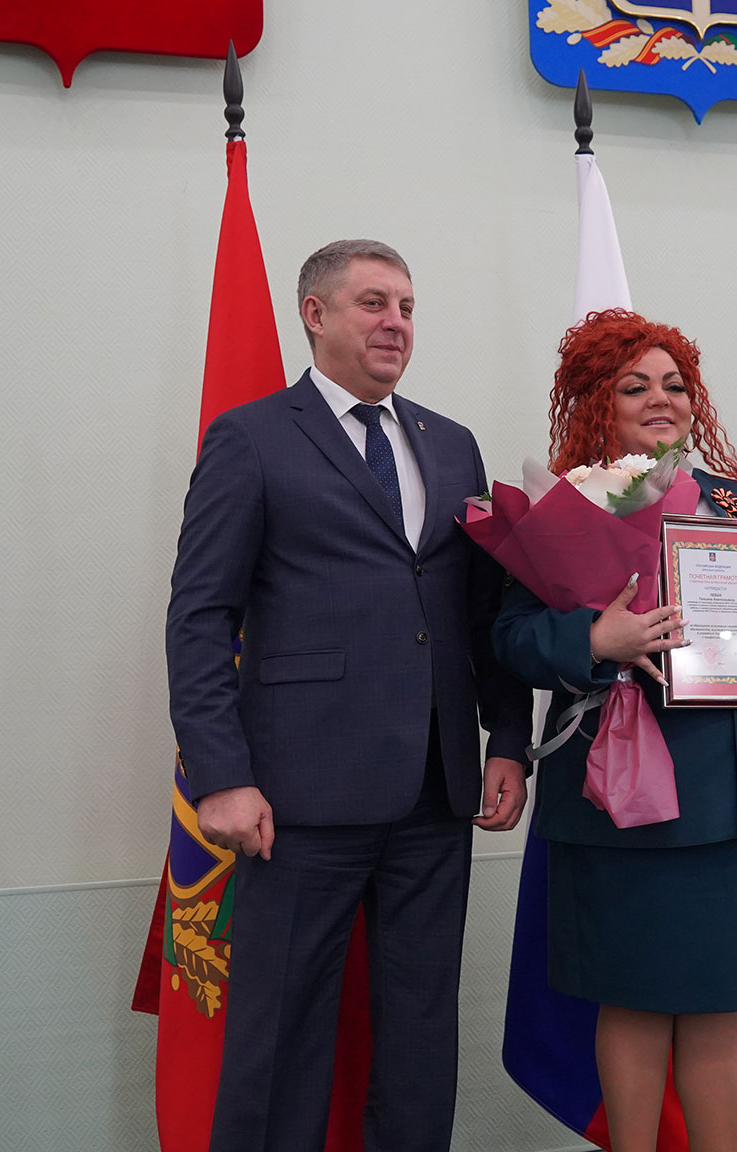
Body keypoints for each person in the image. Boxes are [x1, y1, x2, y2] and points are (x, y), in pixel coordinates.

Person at [166, 239, 532, 1152]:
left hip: (436, 789)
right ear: (315, 314)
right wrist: (221, 776)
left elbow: (482, 611)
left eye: (407, 307)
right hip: (298, 796)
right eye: (373, 303)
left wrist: (507, 739)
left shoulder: (452, 444)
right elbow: (200, 619)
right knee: (280, 1033)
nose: (395, 323)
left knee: (420, 1030)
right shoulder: (251, 437)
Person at [492, 310, 737, 1152]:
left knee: (720, 1004)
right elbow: (510, 639)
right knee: (633, 1002)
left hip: (732, 798)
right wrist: (594, 640)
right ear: (597, 402)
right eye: (634, 385)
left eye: (675, 385)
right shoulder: (566, 508)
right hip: (618, 800)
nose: (661, 399)